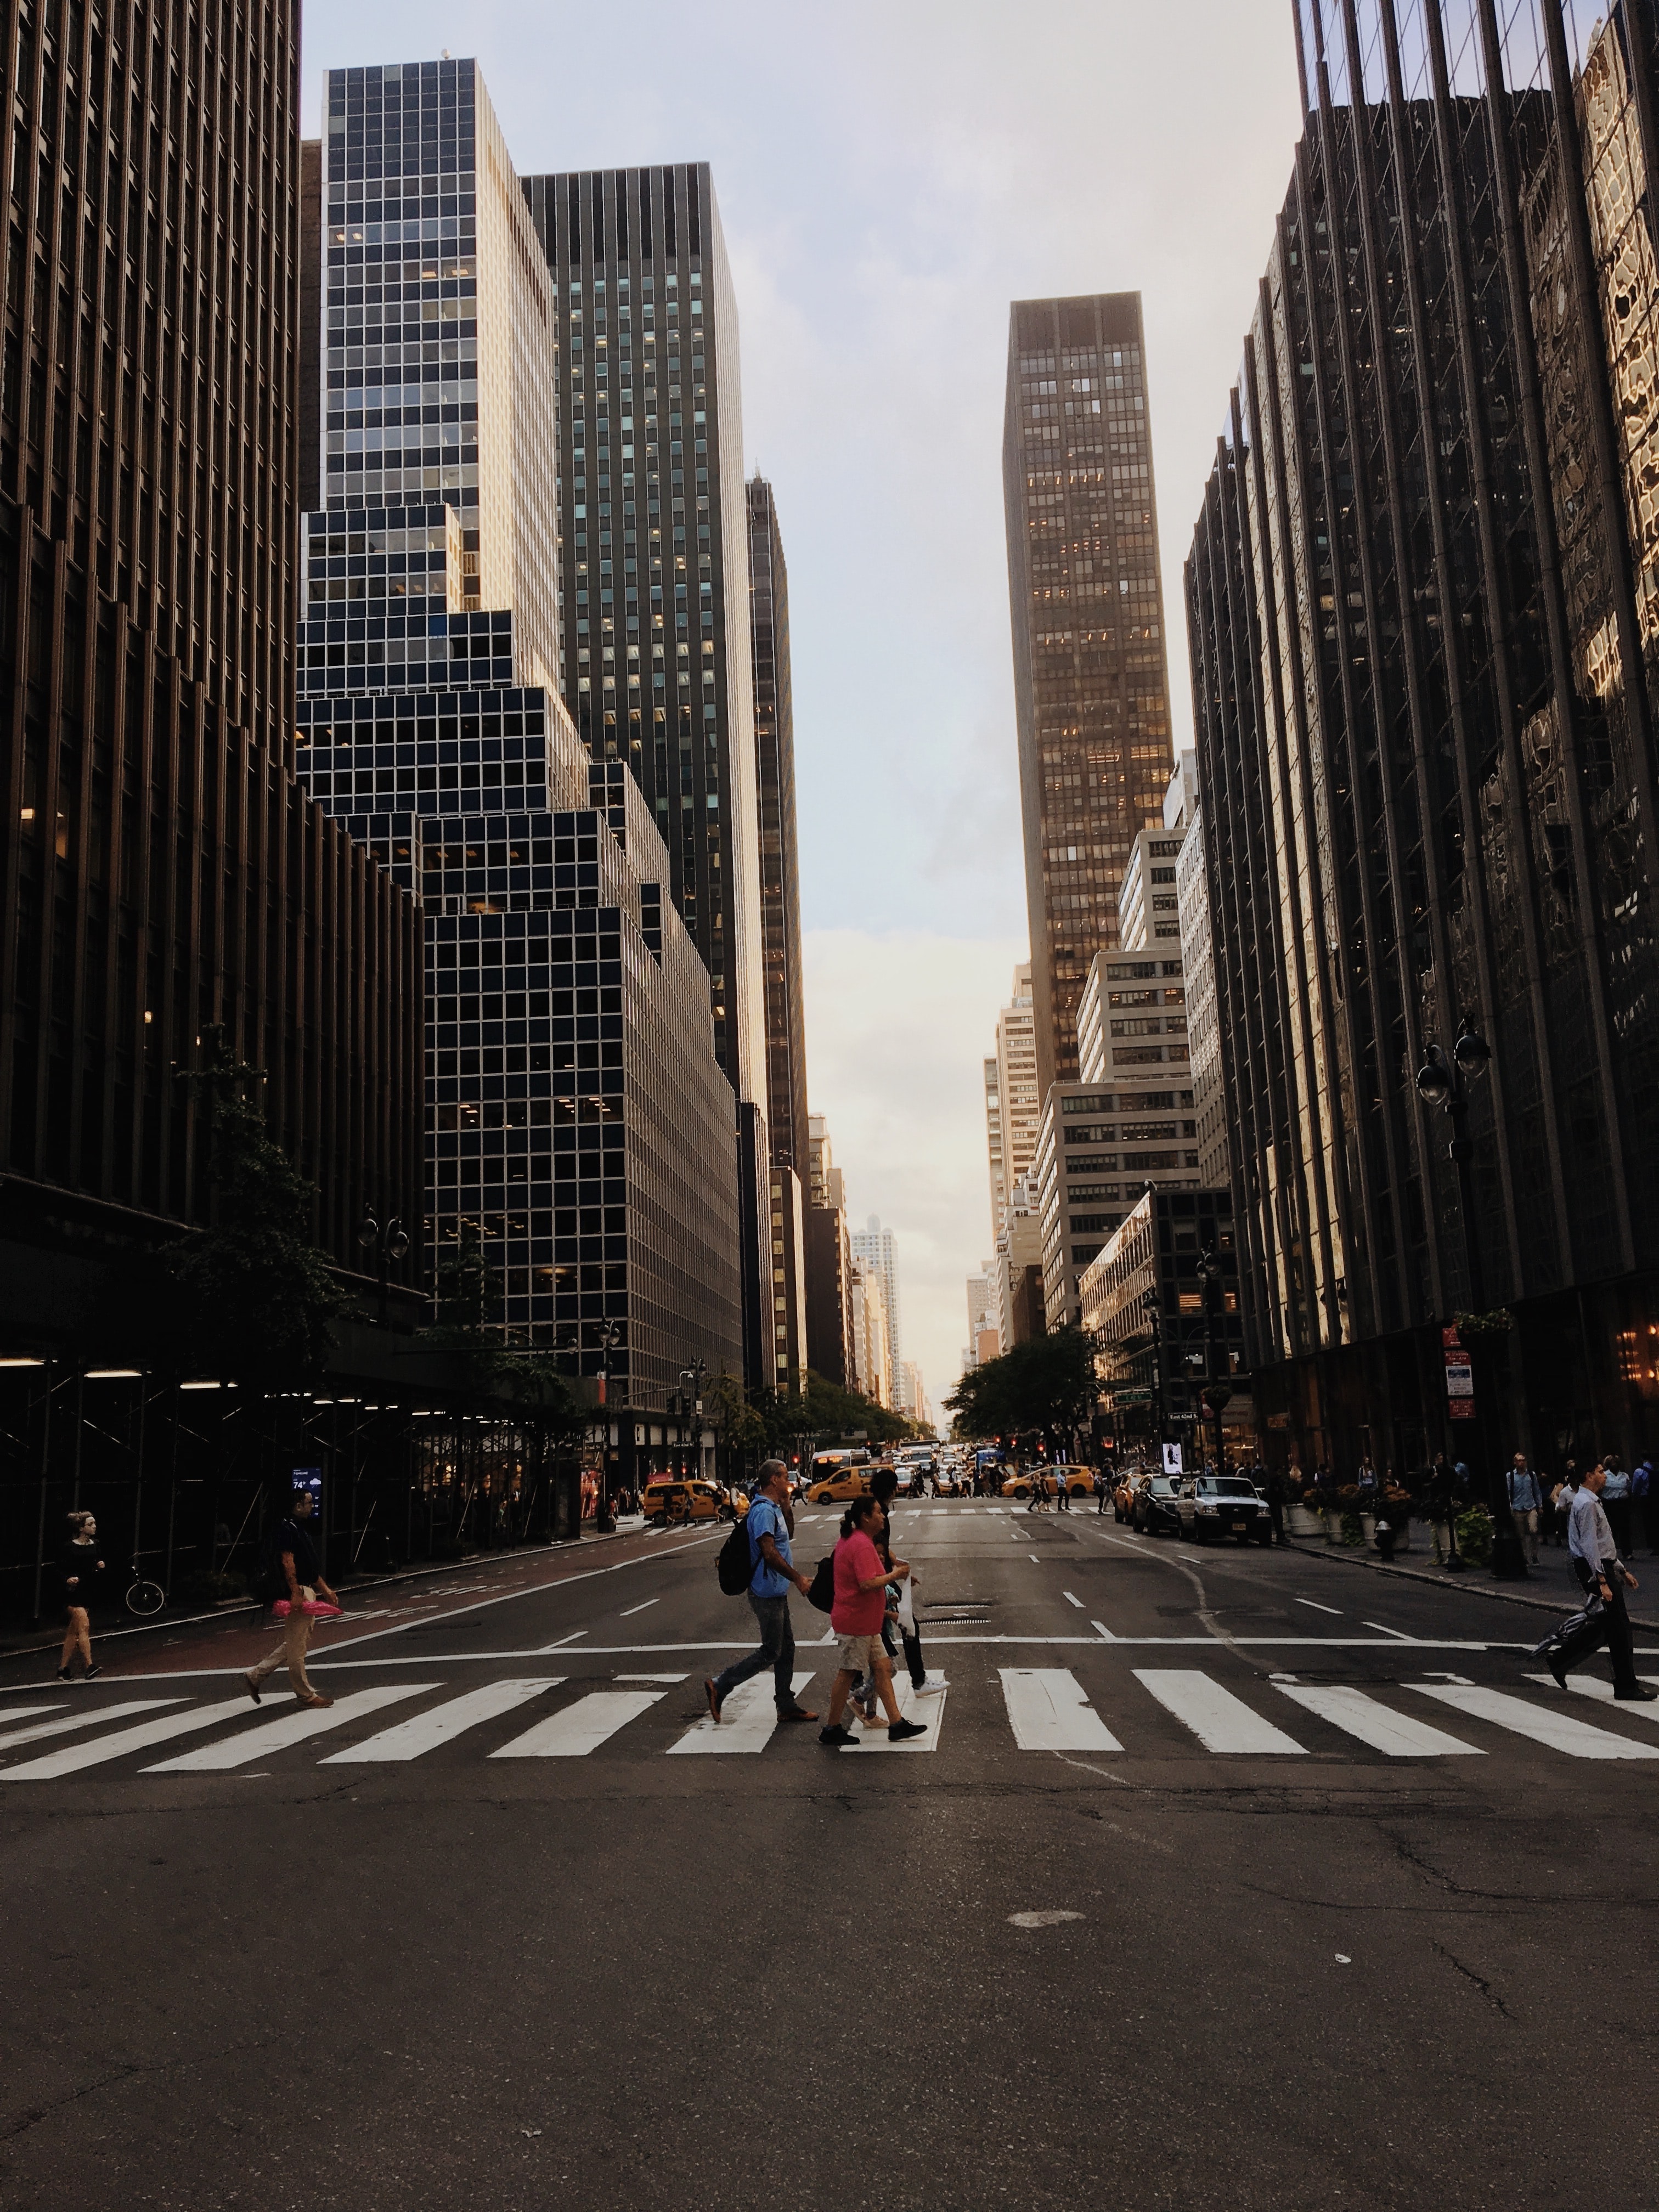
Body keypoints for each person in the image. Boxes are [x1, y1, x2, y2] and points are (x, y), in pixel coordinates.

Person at [704, 1460, 817, 1726]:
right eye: (784, 1476)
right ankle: (721, 1685)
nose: (788, 1480)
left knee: (785, 1648)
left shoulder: (775, 1509)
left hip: (775, 1589)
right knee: (771, 1651)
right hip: (765, 1591)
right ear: (774, 1479)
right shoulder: (763, 1512)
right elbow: (769, 1552)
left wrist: (788, 1506)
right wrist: (798, 1578)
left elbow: (787, 1535)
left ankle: (786, 1704)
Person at [820, 1494, 926, 1748]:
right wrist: (896, 1575)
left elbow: (874, 1572)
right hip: (856, 1622)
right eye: (878, 1512)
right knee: (847, 1673)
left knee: (882, 1669)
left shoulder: (857, 1541)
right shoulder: (860, 1544)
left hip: (867, 1623)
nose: (883, 1516)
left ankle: (897, 1724)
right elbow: (867, 1583)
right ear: (865, 1518)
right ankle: (831, 1728)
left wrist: (898, 1575)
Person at [1554, 1463, 1657, 1701]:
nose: (1604, 1475)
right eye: (1600, 1472)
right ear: (1589, 1476)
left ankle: (1560, 1660)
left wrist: (1621, 1569)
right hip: (1596, 1570)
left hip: (1600, 1566)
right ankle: (1625, 1686)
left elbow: (1601, 1544)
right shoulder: (1587, 1503)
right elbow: (1590, 1545)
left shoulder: (1586, 1500)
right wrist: (1602, 1581)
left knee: (1608, 1626)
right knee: (1619, 1628)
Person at [244, 1487, 341, 1709]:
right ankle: (306, 1695)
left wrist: (325, 1590)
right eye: (309, 1503)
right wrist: (295, 1592)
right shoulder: (286, 1528)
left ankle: (256, 1676)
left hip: (306, 1589)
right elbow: (288, 1562)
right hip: (298, 1590)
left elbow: (308, 1565)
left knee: (297, 1642)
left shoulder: (297, 1528)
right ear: (298, 1506)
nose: (312, 1506)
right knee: (298, 1648)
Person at [859, 1468, 945, 1707]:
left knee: (878, 1635)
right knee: (906, 1625)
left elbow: (881, 1548)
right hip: (880, 1578)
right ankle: (918, 1681)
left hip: (883, 1574)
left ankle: (864, 1692)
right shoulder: (879, 1513)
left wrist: (897, 1563)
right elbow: (877, 1550)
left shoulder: (874, 1510)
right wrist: (893, 1575)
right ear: (893, 1489)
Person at [55, 1510, 106, 1683]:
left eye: (94, 1523)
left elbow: (94, 1568)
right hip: (71, 1593)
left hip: (87, 1592)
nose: (94, 1527)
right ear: (82, 1528)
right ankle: (89, 1666)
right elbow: (58, 1569)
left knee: (73, 1632)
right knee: (84, 1626)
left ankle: (62, 1669)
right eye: (90, 1524)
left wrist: (100, 1566)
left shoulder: (95, 1545)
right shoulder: (69, 1547)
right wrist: (66, 1579)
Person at [1506, 1452, 1543, 1566]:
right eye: (1519, 1461)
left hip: (1530, 1506)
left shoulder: (1531, 1475)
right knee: (1521, 1535)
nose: (1521, 1463)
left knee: (1533, 1530)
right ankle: (1524, 1557)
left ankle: (1534, 1555)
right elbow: (1508, 1492)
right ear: (1515, 1462)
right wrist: (1510, 1507)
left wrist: (1540, 1505)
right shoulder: (1510, 1476)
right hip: (1517, 1507)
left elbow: (1536, 1490)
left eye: (1523, 1460)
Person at [1601, 1456, 1633, 1556]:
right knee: (1611, 1528)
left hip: (1622, 1503)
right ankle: (1610, 1552)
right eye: (1612, 1463)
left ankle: (1627, 1552)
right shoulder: (1604, 1476)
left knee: (1625, 1528)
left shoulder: (1624, 1476)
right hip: (1610, 1503)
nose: (1614, 1465)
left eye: (1616, 1463)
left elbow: (1628, 1487)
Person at [1637, 1456, 1657, 1557]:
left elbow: (1636, 1487)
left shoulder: (1639, 1471)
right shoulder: (1655, 1470)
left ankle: (1653, 1544)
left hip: (1645, 1497)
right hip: (1656, 1496)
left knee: (1649, 1521)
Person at [1265, 1464, 1287, 1546]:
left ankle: (1281, 1535)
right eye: (1278, 1472)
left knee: (1279, 1519)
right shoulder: (1274, 1481)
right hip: (1274, 1502)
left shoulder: (1278, 1481)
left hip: (1277, 1502)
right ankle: (1280, 1536)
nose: (1280, 1473)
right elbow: (1276, 1491)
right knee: (1277, 1519)